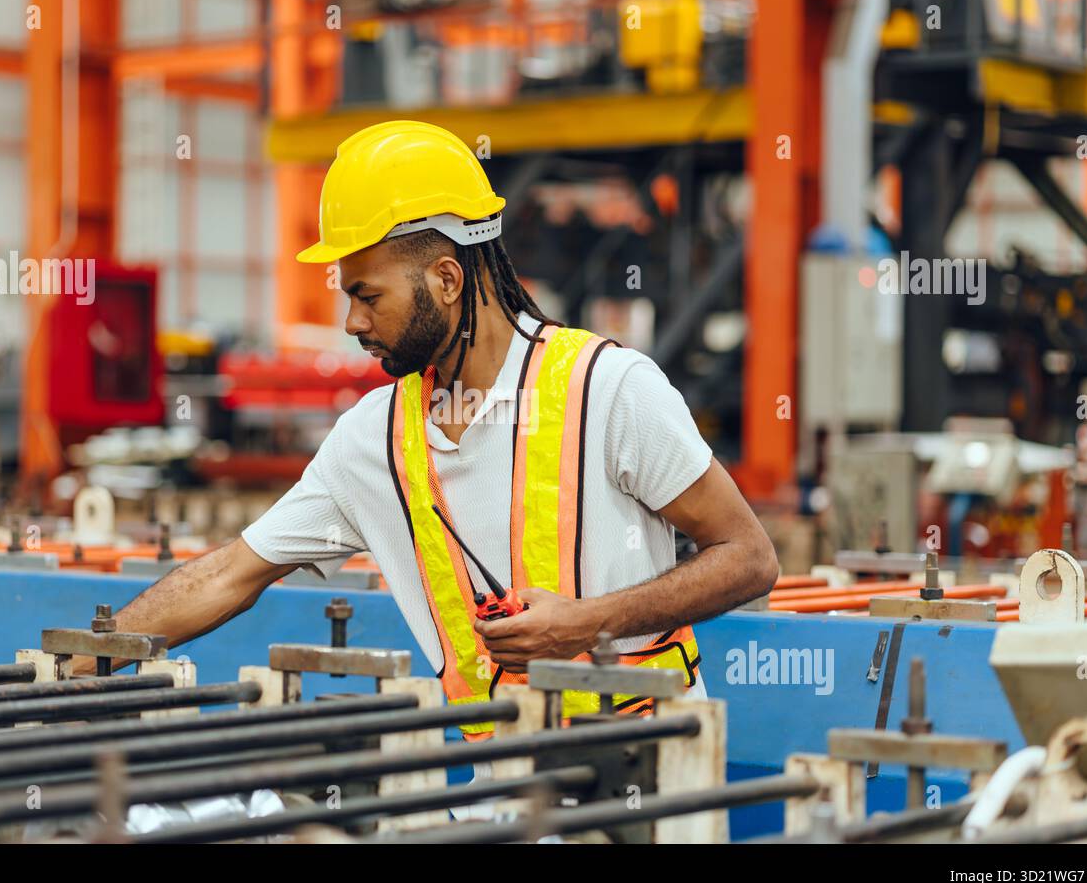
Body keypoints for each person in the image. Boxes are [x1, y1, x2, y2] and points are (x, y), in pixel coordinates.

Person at [74, 120, 779, 737]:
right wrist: (84, 662)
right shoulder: (373, 440)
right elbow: (231, 573)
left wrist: (586, 622)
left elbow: (749, 557)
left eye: (367, 294)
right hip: (505, 793)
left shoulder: (610, 389)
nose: (351, 322)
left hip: (655, 781)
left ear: (446, 278)